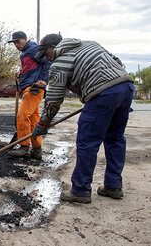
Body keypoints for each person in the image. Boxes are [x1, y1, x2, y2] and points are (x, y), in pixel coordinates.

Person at [32, 33, 134, 203]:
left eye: (46, 54)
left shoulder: (60, 62)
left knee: (87, 141)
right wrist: (116, 94)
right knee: (115, 139)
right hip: (126, 86)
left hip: (103, 94)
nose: (47, 59)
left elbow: (54, 99)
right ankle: (113, 186)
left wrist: (43, 123)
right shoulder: (90, 44)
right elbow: (117, 62)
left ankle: (80, 190)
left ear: (54, 48)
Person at [8, 31, 51, 160]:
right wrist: (22, 71)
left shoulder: (33, 49)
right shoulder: (26, 52)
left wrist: (44, 80)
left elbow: (49, 62)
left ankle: (24, 147)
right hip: (29, 86)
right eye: (14, 42)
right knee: (33, 120)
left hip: (34, 88)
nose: (16, 45)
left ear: (25, 39)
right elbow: (33, 66)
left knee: (22, 116)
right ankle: (37, 150)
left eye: (18, 41)